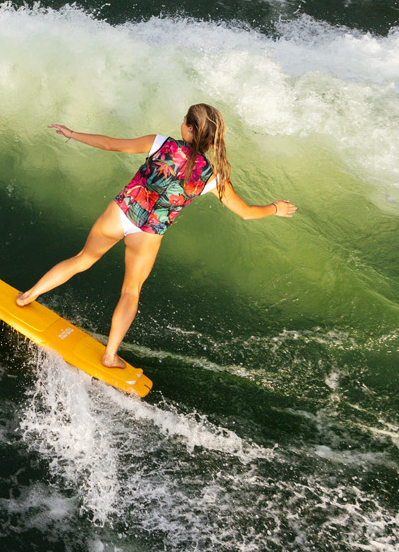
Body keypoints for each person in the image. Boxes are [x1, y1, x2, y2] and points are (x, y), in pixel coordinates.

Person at [15, 103, 295, 368]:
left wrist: (71, 133)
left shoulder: (162, 143)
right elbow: (246, 212)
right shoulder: (212, 177)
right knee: (130, 291)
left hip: (121, 212)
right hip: (149, 234)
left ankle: (28, 296)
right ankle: (110, 355)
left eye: (185, 122)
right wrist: (274, 208)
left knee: (81, 259)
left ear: (188, 128)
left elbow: (111, 144)